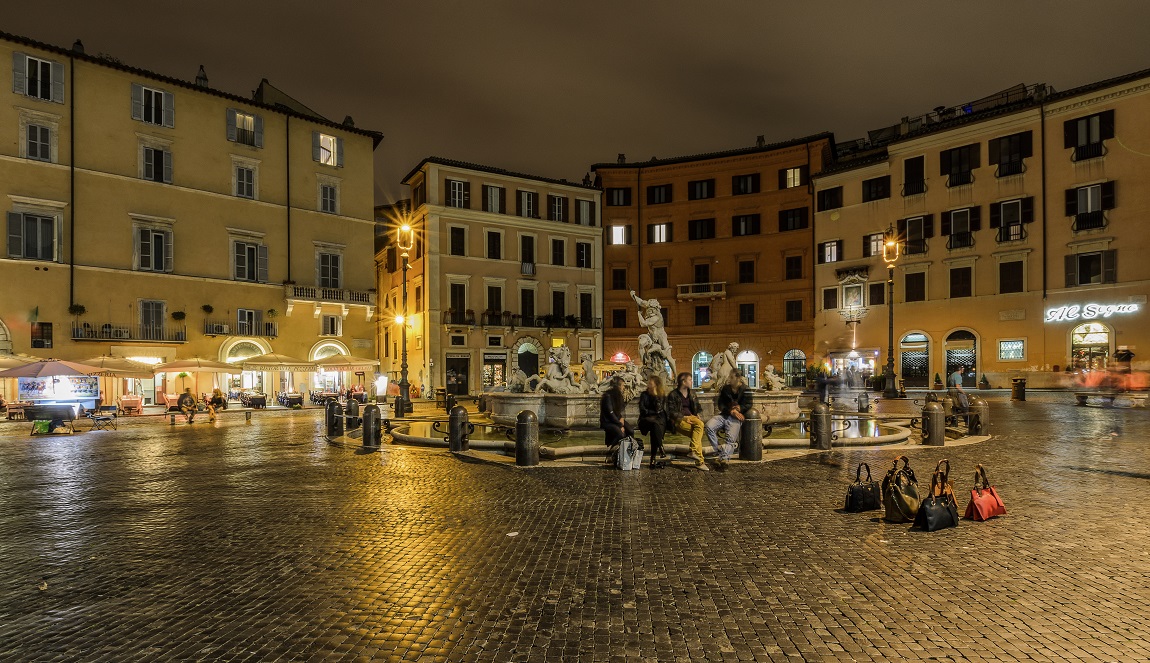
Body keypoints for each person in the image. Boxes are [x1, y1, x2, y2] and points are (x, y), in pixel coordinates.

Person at [705, 371, 752, 468]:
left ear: (738, 378)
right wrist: (731, 411)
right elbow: (720, 405)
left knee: (730, 440)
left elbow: (749, 404)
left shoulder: (746, 389)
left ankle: (724, 458)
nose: (729, 379)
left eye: (732, 377)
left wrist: (740, 408)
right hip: (725, 415)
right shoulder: (725, 389)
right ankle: (719, 451)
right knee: (708, 426)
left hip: (736, 418)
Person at [665, 371, 708, 471]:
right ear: (683, 381)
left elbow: (698, 407)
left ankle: (696, 456)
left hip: (692, 418)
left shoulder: (692, 393)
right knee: (699, 431)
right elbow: (671, 412)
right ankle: (699, 461)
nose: (692, 381)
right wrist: (684, 418)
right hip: (679, 420)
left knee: (698, 430)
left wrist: (698, 414)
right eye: (690, 379)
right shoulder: (673, 394)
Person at [599, 376, 636, 462]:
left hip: (616, 420)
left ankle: (628, 452)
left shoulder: (619, 396)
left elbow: (620, 410)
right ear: (618, 386)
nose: (623, 388)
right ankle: (610, 453)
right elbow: (610, 412)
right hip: (608, 421)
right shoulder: (607, 396)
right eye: (622, 385)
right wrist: (620, 425)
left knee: (630, 431)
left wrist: (621, 419)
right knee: (620, 434)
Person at [638, 377, 668, 467]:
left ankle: (653, 459)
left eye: (651, 382)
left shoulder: (661, 395)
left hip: (658, 420)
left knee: (655, 428)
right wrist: (652, 413)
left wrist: (655, 396)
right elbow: (642, 409)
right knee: (655, 426)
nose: (648, 383)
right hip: (646, 420)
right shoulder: (644, 394)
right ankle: (660, 447)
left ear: (656, 384)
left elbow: (659, 410)